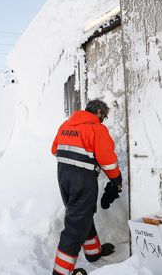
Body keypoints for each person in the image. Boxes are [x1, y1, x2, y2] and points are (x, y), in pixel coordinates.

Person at [50, 99, 122, 275]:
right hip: (83, 180)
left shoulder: (65, 125)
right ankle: (61, 273)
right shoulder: (97, 129)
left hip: (63, 176)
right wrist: (116, 180)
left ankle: (93, 252)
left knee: (80, 214)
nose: (103, 120)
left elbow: (54, 149)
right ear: (98, 112)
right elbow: (108, 161)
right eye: (103, 116)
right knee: (75, 226)